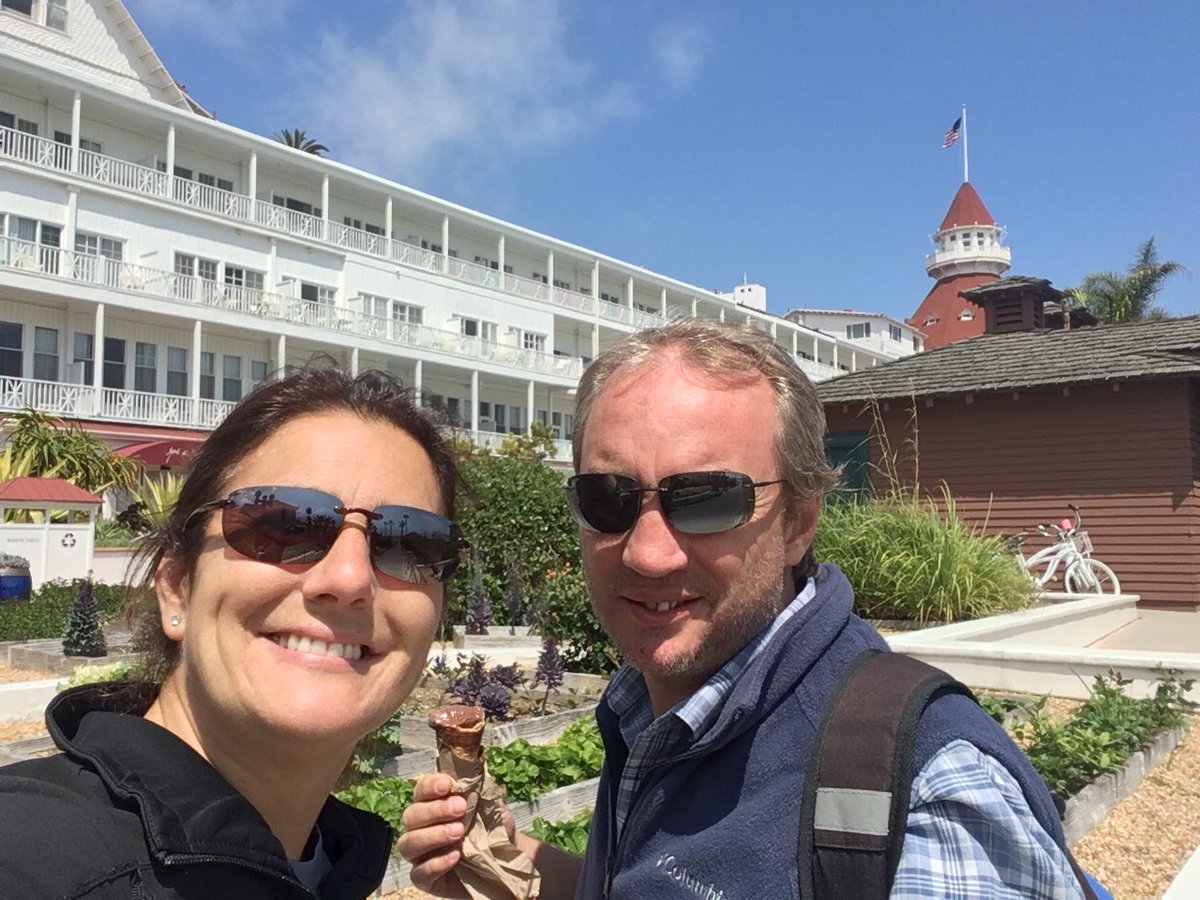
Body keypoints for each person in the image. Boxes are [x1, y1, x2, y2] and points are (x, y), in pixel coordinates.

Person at [399, 320, 1091, 899]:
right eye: (608, 498)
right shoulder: (650, 705)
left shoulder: (920, 800)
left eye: (706, 500)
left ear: (799, 522)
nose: (647, 553)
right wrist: (508, 861)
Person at [0, 364, 464, 898]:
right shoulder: (33, 859)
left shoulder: (324, 863)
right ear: (177, 586)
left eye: (409, 545)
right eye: (285, 524)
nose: (349, 577)